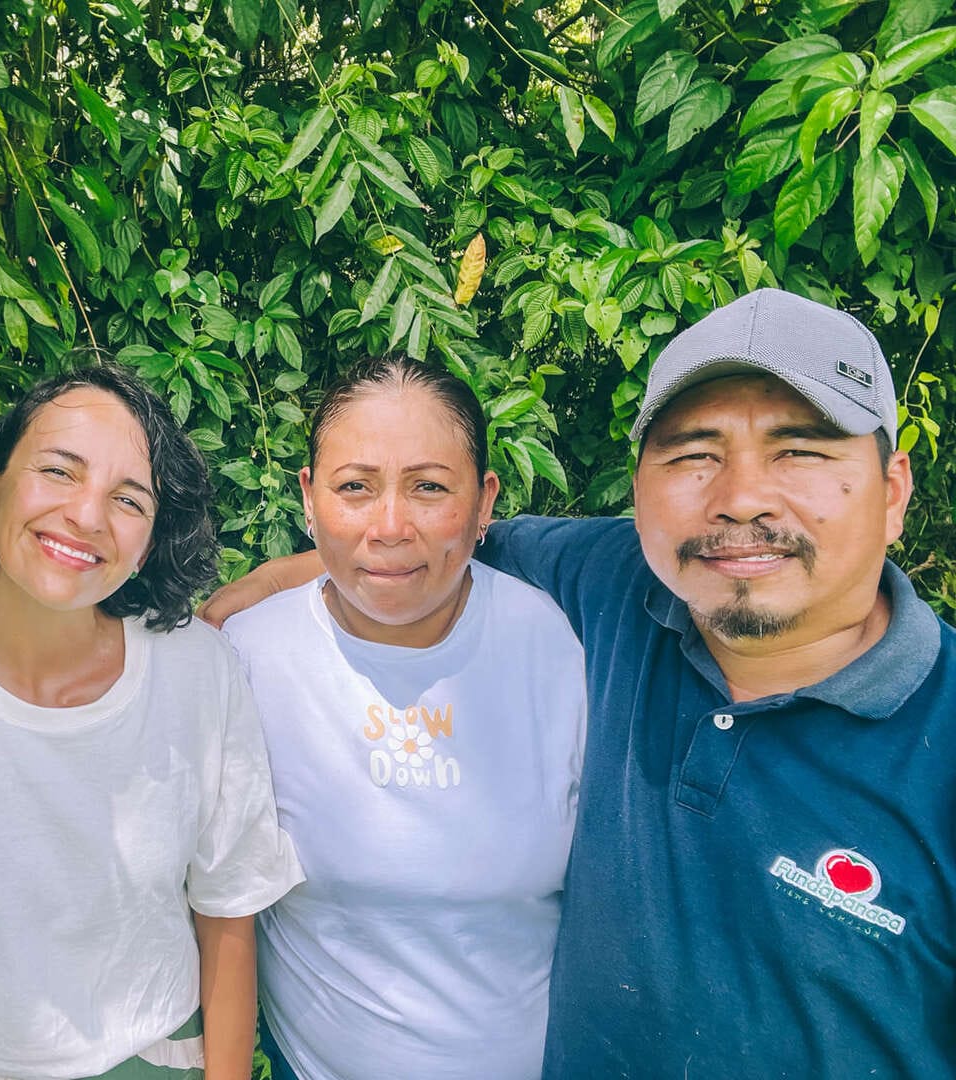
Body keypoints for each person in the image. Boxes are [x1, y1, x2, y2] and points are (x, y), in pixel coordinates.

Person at [201, 289, 956, 1075]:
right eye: (694, 455)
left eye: (799, 451)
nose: (741, 499)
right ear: (639, 488)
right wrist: (277, 584)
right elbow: (411, 555)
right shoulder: (607, 589)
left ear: (893, 490)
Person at [0, 364, 303, 1080]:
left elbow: (227, 909)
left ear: (148, 543)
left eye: (128, 499)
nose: (87, 515)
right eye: (59, 471)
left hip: (156, 1056)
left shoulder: (196, 671)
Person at [221, 356, 587, 1080]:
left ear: (485, 502)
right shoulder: (248, 657)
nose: (390, 527)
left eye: (429, 487)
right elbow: (214, 900)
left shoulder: (553, 641)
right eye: (355, 487)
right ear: (309, 497)